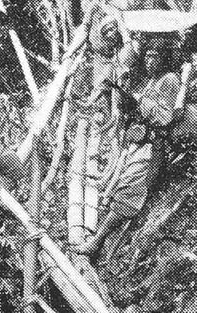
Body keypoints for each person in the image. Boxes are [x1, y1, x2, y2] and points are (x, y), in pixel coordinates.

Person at [76, 36, 184, 267]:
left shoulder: (170, 80)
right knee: (118, 185)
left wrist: (139, 103)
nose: (149, 61)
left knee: (129, 190)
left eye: (155, 56)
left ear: (165, 59)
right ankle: (100, 243)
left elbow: (165, 117)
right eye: (147, 55)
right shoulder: (151, 82)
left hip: (152, 147)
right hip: (137, 144)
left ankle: (96, 242)